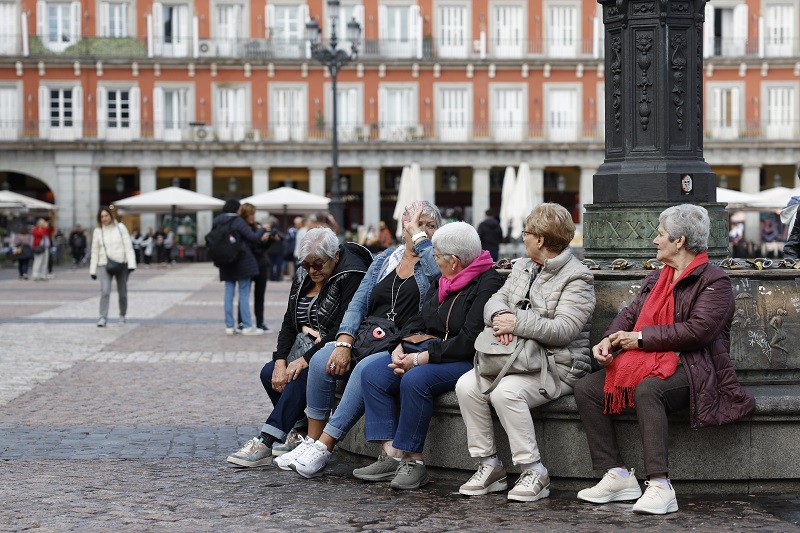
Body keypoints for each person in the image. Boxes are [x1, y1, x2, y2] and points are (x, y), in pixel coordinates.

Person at [573, 204, 755, 515]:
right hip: (649, 360)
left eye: (660, 235)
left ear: (679, 240)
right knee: (587, 389)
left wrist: (640, 339)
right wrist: (609, 340)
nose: (655, 240)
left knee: (649, 389)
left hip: (695, 366)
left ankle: (659, 484)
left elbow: (698, 332)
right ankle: (616, 475)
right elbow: (628, 316)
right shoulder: (656, 278)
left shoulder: (714, 281)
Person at [275, 201, 442, 478]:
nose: (420, 230)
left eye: (429, 226)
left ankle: (324, 447)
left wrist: (422, 241)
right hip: (369, 336)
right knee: (319, 360)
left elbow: (440, 281)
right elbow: (358, 303)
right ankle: (312, 443)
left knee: (367, 368)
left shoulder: (438, 261)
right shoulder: (385, 260)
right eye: (414, 224)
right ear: (402, 227)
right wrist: (343, 342)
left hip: (403, 343)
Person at [455, 203, 595, 502]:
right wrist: (499, 319)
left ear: (541, 239)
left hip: (559, 365)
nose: (524, 238)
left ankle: (534, 470)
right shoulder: (522, 266)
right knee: (466, 385)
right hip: (513, 358)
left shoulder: (577, 277)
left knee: (506, 393)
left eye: (527, 232)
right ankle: (488, 464)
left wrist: (516, 323)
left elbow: (565, 330)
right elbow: (494, 301)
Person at [357, 222, 504, 490]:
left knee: (415, 381)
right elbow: (419, 318)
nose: (433, 260)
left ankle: (415, 462)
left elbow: (470, 340)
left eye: (436, 256)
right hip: (427, 350)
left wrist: (420, 359)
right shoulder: (443, 279)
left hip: (463, 359)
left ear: (455, 261)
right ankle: (392, 454)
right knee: (374, 374)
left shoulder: (488, 282)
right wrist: (401, 345)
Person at [226, 228, 373, 467]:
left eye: (318, 265)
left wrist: (304, 359)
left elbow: (345, 325)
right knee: (269, 372)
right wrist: (281, 359)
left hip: (338, 348)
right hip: (305, 345)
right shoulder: (303, 274)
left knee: (302, 374)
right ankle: (300, 429)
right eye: (306, 265)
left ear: (335, 256)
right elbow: (288, 320)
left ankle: (266, 439)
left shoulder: (352, 274)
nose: (312, 271)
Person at [213, 200, 268, 336]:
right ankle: (247, 325)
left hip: (225, 261)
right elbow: (253, 237)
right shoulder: (238, 221)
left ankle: (229, 326)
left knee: (228, 293)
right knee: (243, 292)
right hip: (242, 261)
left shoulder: (217, 220)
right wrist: (263, 229)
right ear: (237, 209)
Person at [89, 206, 137, 327]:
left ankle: (122, 315)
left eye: (106, 215)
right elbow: (94, 251)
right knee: (105, 291)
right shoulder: (98, 231)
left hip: (121, 263)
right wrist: (92, 270)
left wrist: (131, 264)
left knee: (122, 292)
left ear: (111, 215)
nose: (104, 218)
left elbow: (128, 247)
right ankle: (102, 317)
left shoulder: (120, 228)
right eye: (102, 216)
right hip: (104, 264)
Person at [240, 209, 269, 332]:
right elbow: (251, 243)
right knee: (244, 294)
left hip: (261, 264)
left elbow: (262, 248)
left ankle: (259, 322)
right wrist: (260, 235)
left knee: (260, 294)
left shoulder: (257, 226)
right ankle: (241, 321)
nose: (253, 217)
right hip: (248, 264)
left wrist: (267, 240)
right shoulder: (243, 228)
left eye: (253, 214)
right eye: (250, 214)